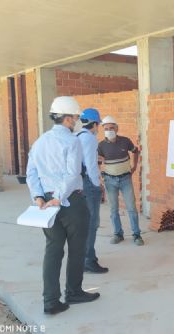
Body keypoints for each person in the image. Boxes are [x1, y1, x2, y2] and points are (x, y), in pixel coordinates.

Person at [26, 96, 101, 315]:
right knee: (77, 249)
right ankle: (74, 292)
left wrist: (39, 196)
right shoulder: (72, 141)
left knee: (53, 250)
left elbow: (31, 173)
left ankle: (50, 301)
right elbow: (72, 173)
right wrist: (59, 196)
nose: (77, 121)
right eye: (76, 117)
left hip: (46, 205)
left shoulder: (40, 141)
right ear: (67, 119)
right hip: (70, 202)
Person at [98, 115, 143, 246]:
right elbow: (97, 162)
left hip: (125, 179)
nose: (109, 130)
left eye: (112, 128)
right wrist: (100, 176)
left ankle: (136, 235)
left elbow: (136, 151)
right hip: (110, 181)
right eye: (106, 128)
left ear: (117, 128)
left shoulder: (125, 141)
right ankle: (118, 234)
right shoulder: (101, 146)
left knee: (132, 208)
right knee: (113, 210)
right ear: (103, 130)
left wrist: (134, 166)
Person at [77, 108, 109, 274]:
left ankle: (83, 258)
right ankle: (89, 260)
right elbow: (90, 166)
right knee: (92, 223)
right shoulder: (89, 139)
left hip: (79, 184)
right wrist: (98, 185)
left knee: (84, 223)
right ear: (95, 124)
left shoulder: (78, 136)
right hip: (89, 184)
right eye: (99, 125)